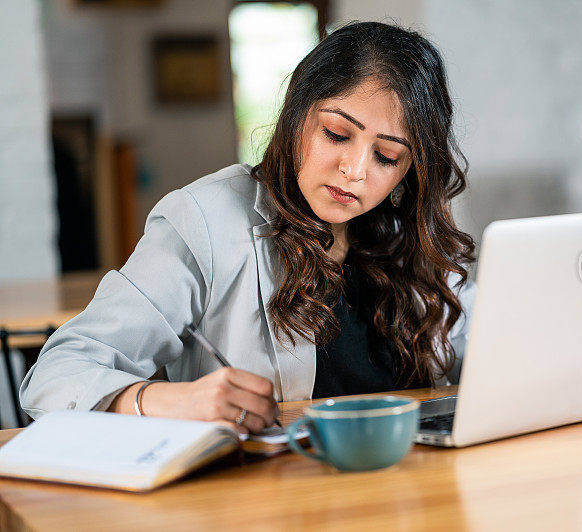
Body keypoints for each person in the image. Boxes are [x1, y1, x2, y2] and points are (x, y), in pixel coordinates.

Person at [19, 21, 476, 435]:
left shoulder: (410, 237)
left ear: (409, 170)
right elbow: (56, 374)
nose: (354, 170)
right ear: (296, 113)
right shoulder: (203, 219)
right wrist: (162, 401)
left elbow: (480, 356)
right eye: (337, 133)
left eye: (387, 156)